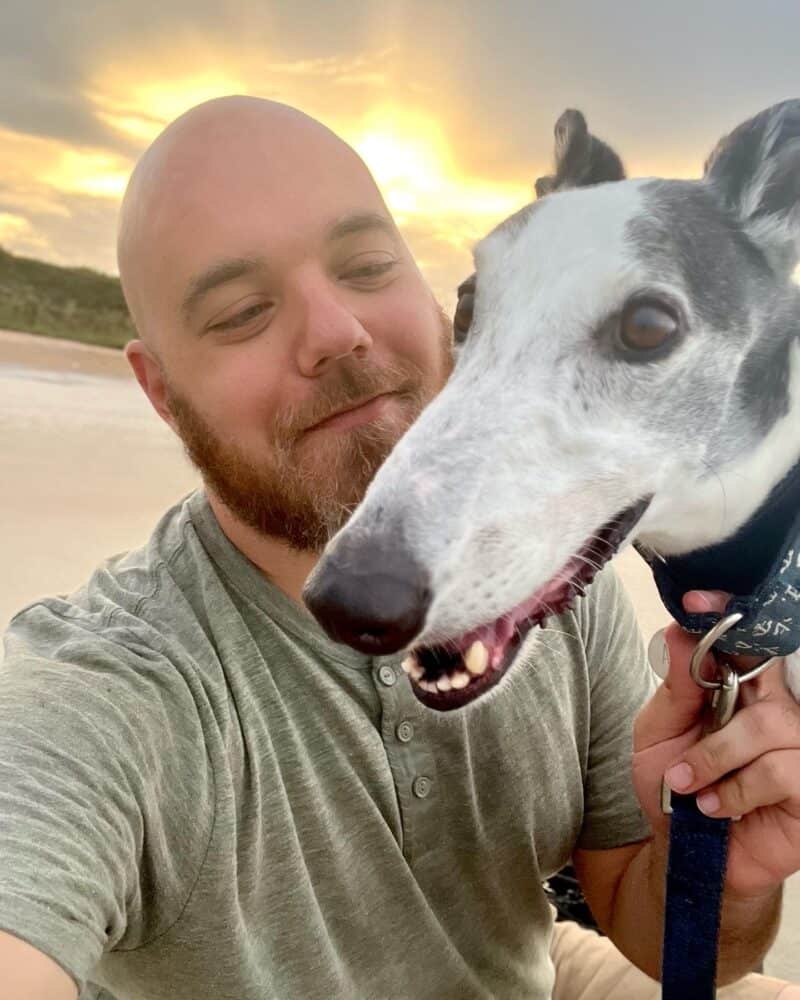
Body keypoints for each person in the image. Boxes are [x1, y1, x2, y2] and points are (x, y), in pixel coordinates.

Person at [0, 96, 798, 1000]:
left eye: (367, 265)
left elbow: (647, 919)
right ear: (160, 390)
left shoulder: (553, 581)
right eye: (241, 312)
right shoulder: (107, 693)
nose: (337, 330)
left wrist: (721, 865)